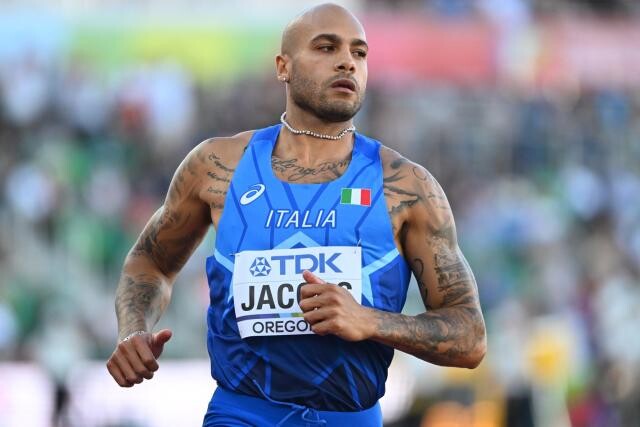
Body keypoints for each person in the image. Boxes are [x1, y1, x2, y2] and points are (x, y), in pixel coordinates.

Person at [106, 3, 486, 426]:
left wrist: (370, 321)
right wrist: (133, 329)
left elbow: (470, 335)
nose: (347, 61)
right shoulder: (217, 167)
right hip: (241, 414)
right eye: (326, 47)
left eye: (359, 53)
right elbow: (150, 263)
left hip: (348, 418)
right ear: (282, 66)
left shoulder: (406, 186)